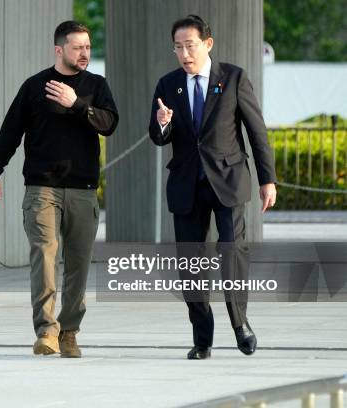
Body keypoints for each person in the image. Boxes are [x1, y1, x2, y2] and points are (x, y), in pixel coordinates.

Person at [0, 21, 118, 358]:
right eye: (77, 48)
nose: (85, 53)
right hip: (42, 188)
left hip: (83, 190)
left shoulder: (96, 86)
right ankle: (46, 331)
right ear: (59, 50)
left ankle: (69, 331)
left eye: (88, 47)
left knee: (79, 265)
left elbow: (109, 124)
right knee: (44, 256)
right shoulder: (34, 86)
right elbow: (10, 131)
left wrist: (78, 104)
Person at [148, 15, 277, 360]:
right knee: (190, 263)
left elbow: (256, 132)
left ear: (208, 43)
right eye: (178, 47)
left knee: (231, 250)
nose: (184, 53)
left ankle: (240, 324)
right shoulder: (167, 84)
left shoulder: (233, 78)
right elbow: (158, 137)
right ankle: (202, 338)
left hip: (228, 180)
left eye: (190, 45)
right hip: (186, 184)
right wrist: (163, 124)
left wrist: (268, 179)